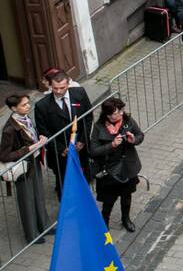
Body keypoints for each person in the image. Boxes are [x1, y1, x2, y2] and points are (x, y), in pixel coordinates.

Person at [88, 97, 144, 231]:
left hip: (127, 166)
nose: (120, 114)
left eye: (121, 111)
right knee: (108, 201)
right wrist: (111, 145)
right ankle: (104, 226)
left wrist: (133, 140)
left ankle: (126, 218)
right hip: (109, 170)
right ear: (107, 115)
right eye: (116, 113)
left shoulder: (127, 121)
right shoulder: (98, 127)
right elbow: (93, 151)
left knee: (127, 195)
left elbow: (140, 135)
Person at [34, 70, 92, 198]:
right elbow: (43, 132)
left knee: (84, 179)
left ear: (68, 84)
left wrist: (82, 140)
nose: (59, 91)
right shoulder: (42, 106)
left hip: (80, 148)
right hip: (60, 154)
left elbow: (88, 118)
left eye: (62, 88)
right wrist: (61, 149)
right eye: (55, 88)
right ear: (50, 86)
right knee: (64, 185)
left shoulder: (80, 93)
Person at [1, 93, 49, 243]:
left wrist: (40, 138)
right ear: (14, 108)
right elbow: (4, 156)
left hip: (33, 163)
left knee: (39, 195)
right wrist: (29, 149)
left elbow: (31, 136)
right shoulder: (9, 129)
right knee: (27, 201)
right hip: (22, 168)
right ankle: (32, 235)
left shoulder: (26, 118)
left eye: (28, 103)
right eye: (24, 105)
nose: (28, 106)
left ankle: (44, 226)